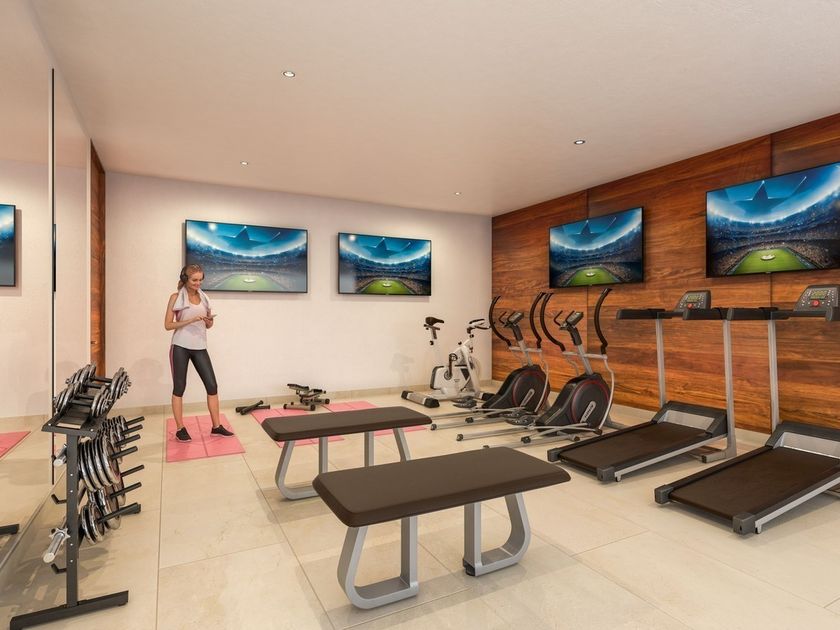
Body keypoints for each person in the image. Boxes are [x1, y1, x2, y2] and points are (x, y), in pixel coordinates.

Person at [164, 264, 234, 441]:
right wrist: (189, 320)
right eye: (194, 280)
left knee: (212, 386)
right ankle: (180, 429)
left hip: (200, 347)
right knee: (179, 388)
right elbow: (168, 325)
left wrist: (209, 321)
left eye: (200, 280)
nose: (198, 283)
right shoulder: (175, 297)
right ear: (185, 278)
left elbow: (209, 325)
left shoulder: (204, 298)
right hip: (180, 346)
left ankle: (216, 427)